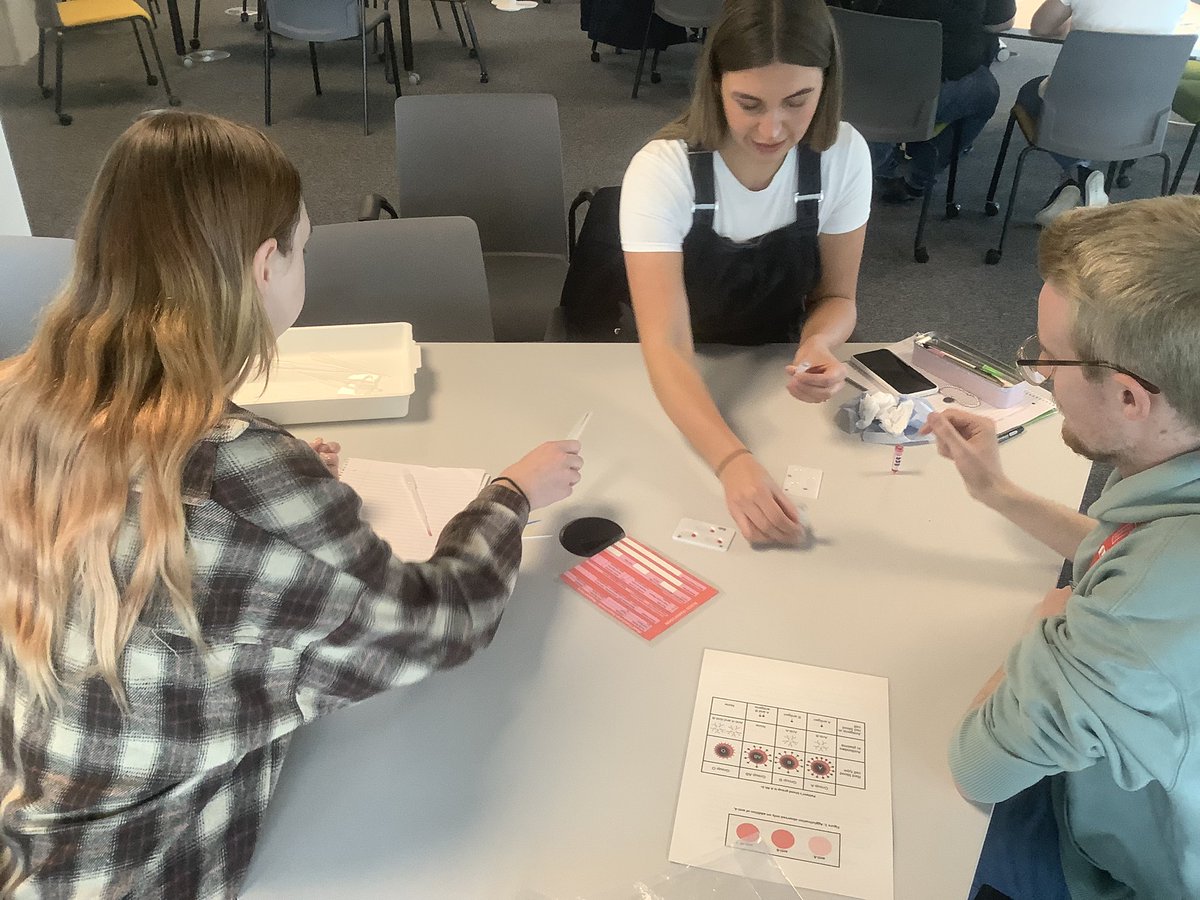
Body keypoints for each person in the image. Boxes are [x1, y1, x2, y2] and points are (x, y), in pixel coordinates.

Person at [0, 111, 584, 898]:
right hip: (143, 871)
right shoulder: (237, 476)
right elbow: (438, 623)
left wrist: (273, 483)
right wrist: (509, 497)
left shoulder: (23, 402)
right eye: (303, 247)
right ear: (266, 264)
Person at [923, 195, 1200, 899]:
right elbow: (1130, 551)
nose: (1039, 373)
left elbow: (978, 766)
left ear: (1133, 399)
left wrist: (1052, 622)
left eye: (1050, 359)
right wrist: (999, 494)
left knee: (906, 815)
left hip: (1123, 867)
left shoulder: (1140, 612)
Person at [619, 0, 871, 546]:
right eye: (749, 103)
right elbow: (664, 343)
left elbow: (838, 297)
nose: (772, 128)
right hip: (672, 369)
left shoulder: (843, 154)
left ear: (826, 85)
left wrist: (819, 344)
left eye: (798, 101)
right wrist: (732, 460)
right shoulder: (663, 170)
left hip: (771, 366)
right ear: (715, 85)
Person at [1026, 0, 1188, 225]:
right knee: (1105, 103)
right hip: (1140, 115)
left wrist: (1069, 25)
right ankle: (1077, 178)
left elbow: (1040, 26)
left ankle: (1076, 176)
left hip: (1075, 108)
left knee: (1029, 96)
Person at [854, 0, 1016, 204]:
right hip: (932, 87)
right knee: (987, 93)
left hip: (859, 83)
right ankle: (920, 176)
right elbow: (1003, 23)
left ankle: (882, 170)